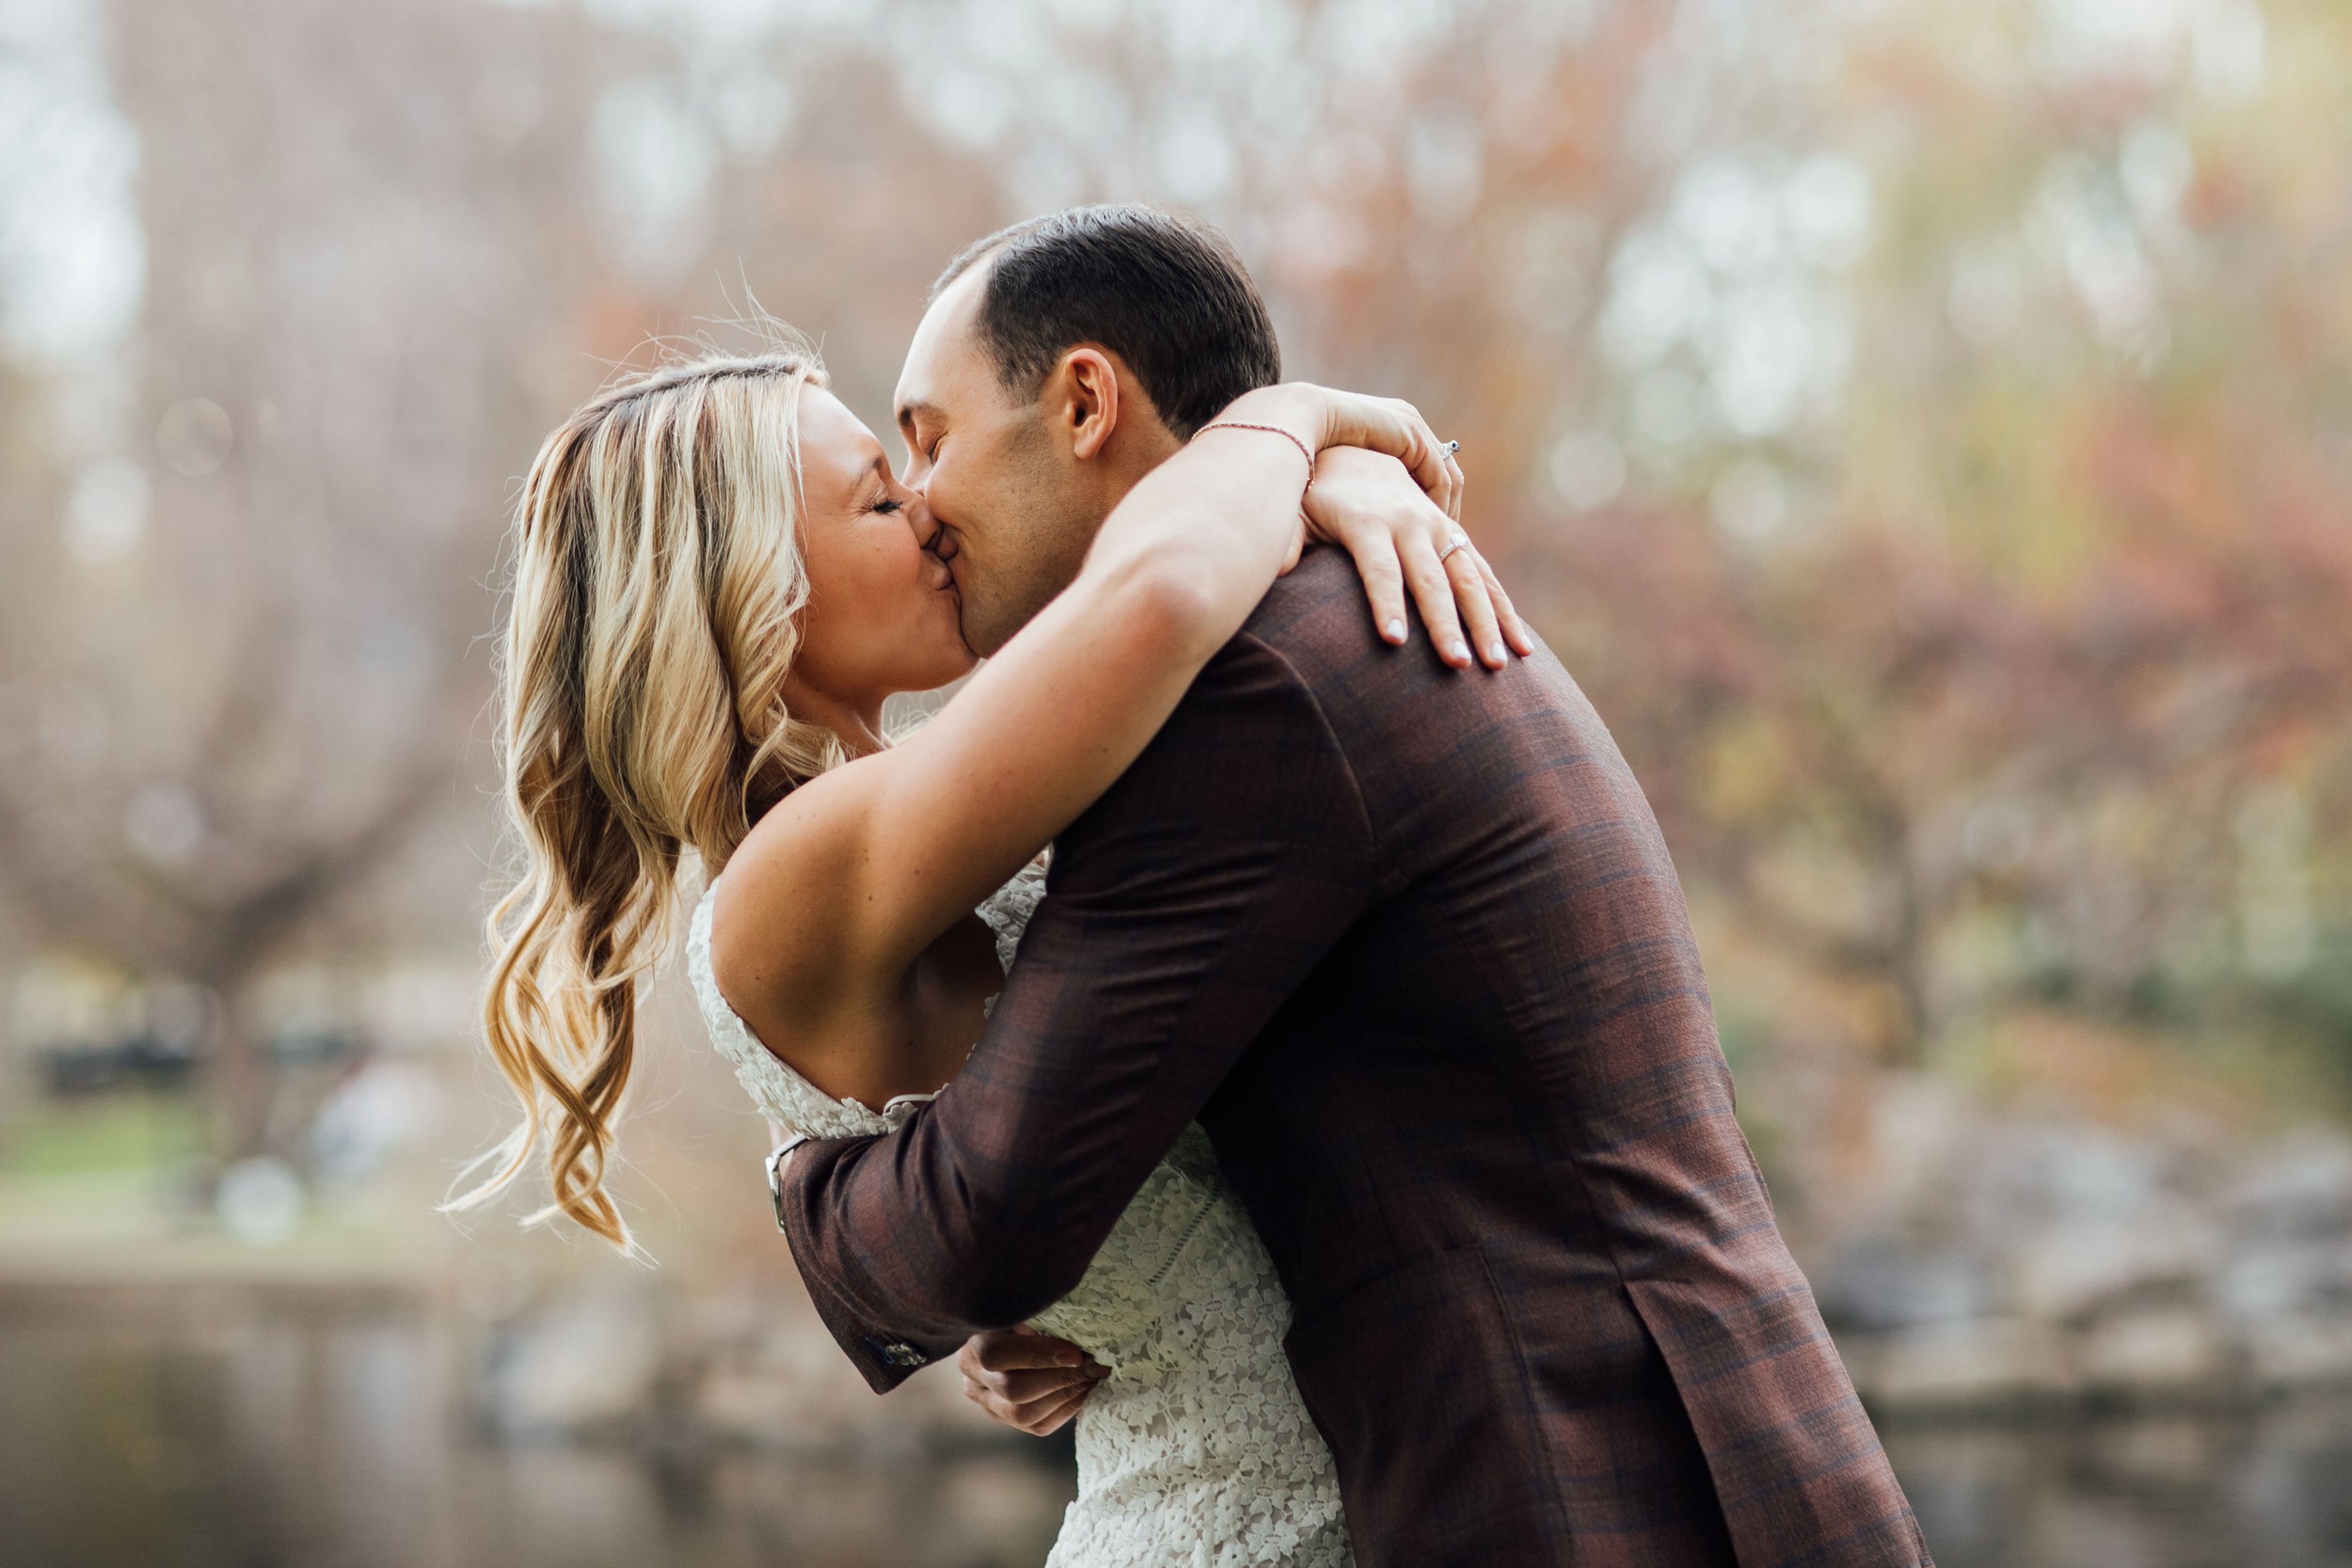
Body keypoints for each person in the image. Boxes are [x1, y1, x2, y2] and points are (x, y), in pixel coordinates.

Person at [771, 206, 1934, 1567]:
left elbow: (988, 1224)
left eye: (931, 438)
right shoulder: (1318, 614)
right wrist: (1121, 1309)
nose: (921, 504)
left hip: (1585, 1486)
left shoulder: (1254, 695)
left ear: (1086, 401)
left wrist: (813, 1191)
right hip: (1696, 1452)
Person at [458, 210, 1516, 1562]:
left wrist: (1069, 1301)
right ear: (751, 593)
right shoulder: (793, 873)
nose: (931, 507)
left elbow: (1080, 1128)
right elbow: (1159, 597)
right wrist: (1294, 424)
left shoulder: (930, 816)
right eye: (877, 497)